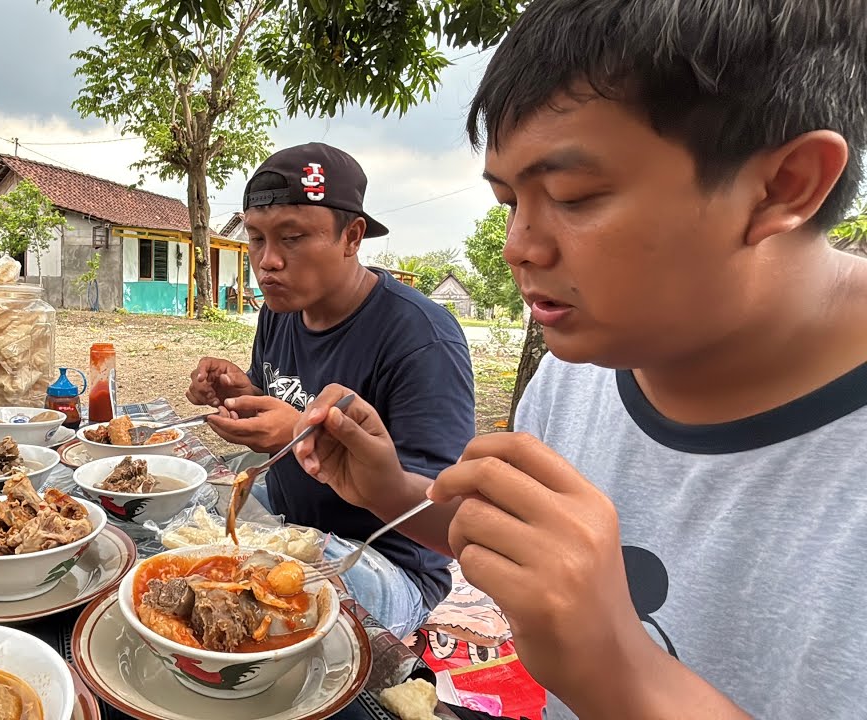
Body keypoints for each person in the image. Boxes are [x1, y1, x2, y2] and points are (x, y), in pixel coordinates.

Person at [292, 0, 867, 717]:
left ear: (785, 185)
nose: (518, 247)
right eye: (509, 201)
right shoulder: (581, 369)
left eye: (573, 195)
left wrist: (619, 671)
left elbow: (600, 645)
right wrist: (391, 491)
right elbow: (530, 559)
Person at [186, 142, 476, 637]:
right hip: (287, 529)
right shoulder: (279, 313)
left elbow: (450, 514)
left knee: (235, 613)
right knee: (180, 550)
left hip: (382, 562)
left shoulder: (421, 338)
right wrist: (244, 391)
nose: (267, 261)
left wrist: (293, 435)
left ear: (352, 236)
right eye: (256, 239)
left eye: (293, 238)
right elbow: (290, 401)